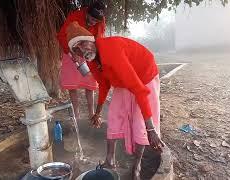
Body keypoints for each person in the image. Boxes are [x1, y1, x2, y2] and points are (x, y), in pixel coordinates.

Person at [66, 22, 165, 180]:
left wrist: (151, 129)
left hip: (144, 74)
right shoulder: (92, 61)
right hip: (124, 80)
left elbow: (139, 90)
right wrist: (97, 113)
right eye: (76, 49)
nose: (82, 51)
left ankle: (136, 165)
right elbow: (104, 85)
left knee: (141, 122)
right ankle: (109, 160)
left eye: (83, 44)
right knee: (114, 115)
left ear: (91, 40)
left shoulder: (112, 51)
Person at [57, 1, 106, 119]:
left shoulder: (100, 21)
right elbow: (62, 36)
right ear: (87, 12)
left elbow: (99, 40)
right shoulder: (75, 16)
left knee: (90, 84)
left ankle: (91, 114)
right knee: (72, 86)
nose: (93, 22)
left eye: (96, 20)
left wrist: (96, 57)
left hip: (88, 53)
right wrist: (70, 52)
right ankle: (76, 115)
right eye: (91, 18)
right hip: (71, 51)